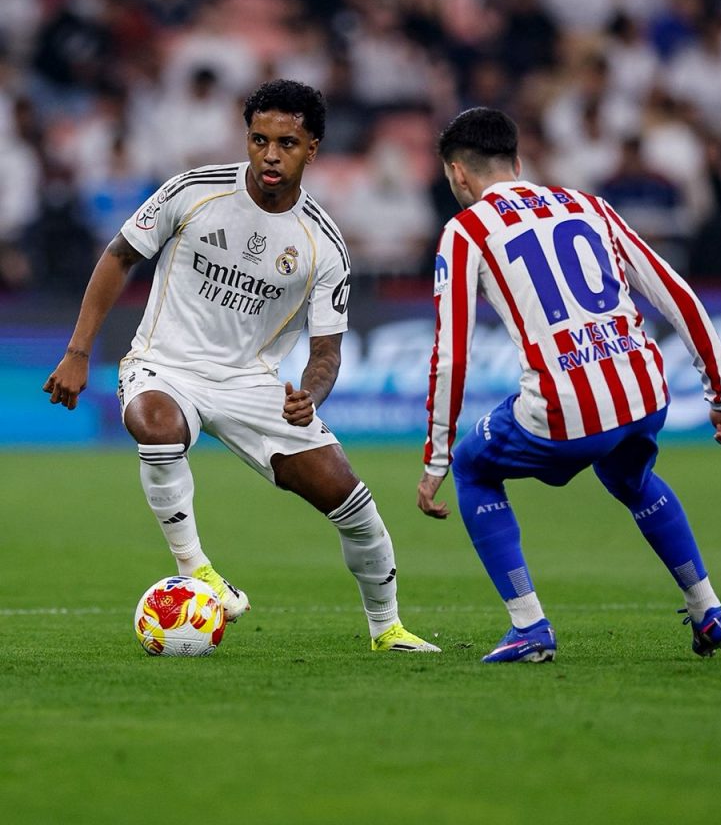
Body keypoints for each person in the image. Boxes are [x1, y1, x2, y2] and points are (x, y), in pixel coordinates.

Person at [44, 78, 439, 654]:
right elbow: (119, 256)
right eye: (259, 139)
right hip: (165, 363)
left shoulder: (323, 245)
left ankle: (388, 629)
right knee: (156, 426)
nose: (271, 154)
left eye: (287, 143)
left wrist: (311, 393)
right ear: (247, 139)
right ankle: (198, 569)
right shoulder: (192, 190)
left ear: (313, 149)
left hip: (251, 383)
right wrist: (78, 351)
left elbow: (326, 350)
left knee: (351, 502)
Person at [416, 106, 721, 663]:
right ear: (518, 162)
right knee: (631, 474)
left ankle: (529, 627)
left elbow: (451, 354)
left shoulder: (465, 229)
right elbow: (677, 295)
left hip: (567, 408)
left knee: (474, 465)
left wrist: (436, 458)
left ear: (457, 173)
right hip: (645, 391)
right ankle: (709, 611)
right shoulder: (588, 205)